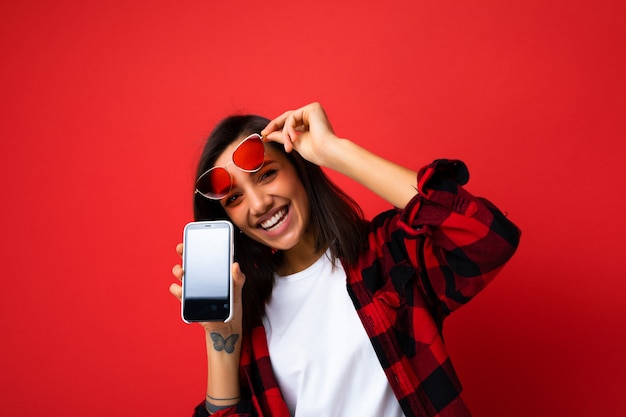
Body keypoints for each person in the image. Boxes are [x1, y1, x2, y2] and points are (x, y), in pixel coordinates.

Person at [169, 102, 521, 417]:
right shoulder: (251, 316)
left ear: (300, 168)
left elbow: (487, 239)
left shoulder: (385, 255)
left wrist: (333, 150)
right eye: (234, 199)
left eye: (267, 175)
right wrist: (222, 339)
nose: (259, 204)